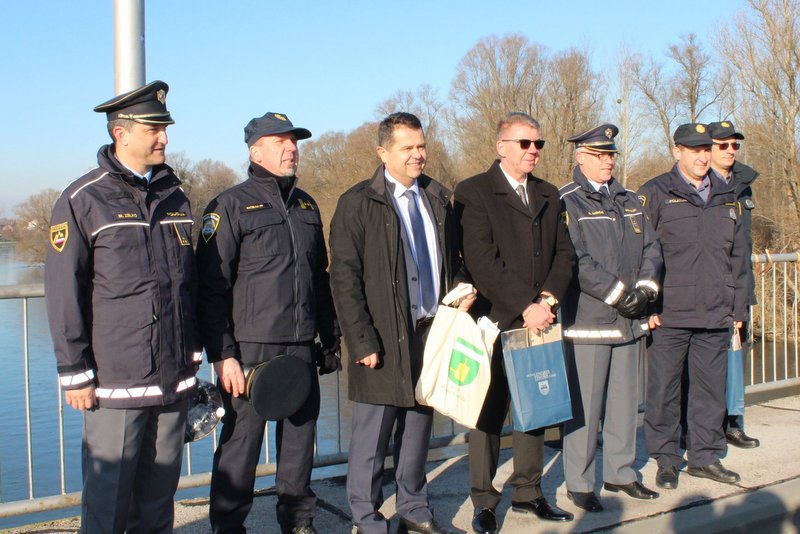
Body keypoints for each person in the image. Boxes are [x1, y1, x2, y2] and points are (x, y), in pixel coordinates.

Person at [44, 80, 201, 533]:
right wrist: (74, 371)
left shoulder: (176, 197)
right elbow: (62, 291)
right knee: (108, 501)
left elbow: (185, 286)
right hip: (115, 382)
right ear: (121, 133)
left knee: (158, 500)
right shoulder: (82, 199)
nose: (164, 137)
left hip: (174, 379)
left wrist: (193, 353)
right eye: (154, 128)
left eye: (165, 127)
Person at [329, 112, 475, 534]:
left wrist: (462, 287)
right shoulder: (358, 203)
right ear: (382, 152)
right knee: (373, 437)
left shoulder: (437, 199)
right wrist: (361, 341)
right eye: (407, 148)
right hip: (381, 336)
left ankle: (413, 507)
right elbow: (343, 278)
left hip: (432, 332)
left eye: (421, 146)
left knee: (417, 428)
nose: (418, 155)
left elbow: (455, 261)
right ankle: (366, 518)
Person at [196, 112, 340, 534]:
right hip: (249, 349)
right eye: (279, 142)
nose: (290, 149)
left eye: (294, 142)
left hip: (299, 344)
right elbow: (211, 288)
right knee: (241, 446)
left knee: (299, 443)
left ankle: (299, 522)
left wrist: (329, 337)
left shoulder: (307, 205)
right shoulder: (229, 205)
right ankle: (228, 526)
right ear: (255, 150)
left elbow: (320, 278)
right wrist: (223, 355)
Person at [454, 112, 576, 533]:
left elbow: (565, 254)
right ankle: (484, 501)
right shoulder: (474, 192)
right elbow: (480, 260)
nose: (534, 151)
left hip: (538, 318)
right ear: (501, 146)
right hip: (495, 319)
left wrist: (547, 299)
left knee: (534, 409)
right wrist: (525, 303)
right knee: (487, 415)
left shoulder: (548, 193)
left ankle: (528, 492)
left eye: (538, 144)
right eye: (525, 143)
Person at [558, 124, 662, 513]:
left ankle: (620, 473)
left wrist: (648, 291)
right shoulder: (567, 201)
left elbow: (652, 248)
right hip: (591, 320)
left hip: (631, 321)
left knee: (623, 402)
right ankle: (580, 482)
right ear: (580, 157)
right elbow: (575, 260)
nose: (608, 161)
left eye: (611, 154)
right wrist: (620, 295)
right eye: (600, 155)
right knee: (586, 408)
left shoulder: (630, 199)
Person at [640, 123, 748, 490]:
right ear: (677, 152)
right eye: (694, 150)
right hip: (669, 313)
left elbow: (738, 257)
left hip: (716, 311)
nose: (702, 156)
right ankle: (667, 459)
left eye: (707, 149)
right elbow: (641, 254)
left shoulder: (727, 194)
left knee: (709, 391)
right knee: (664, 391)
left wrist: (739, 309)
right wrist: (647, 306)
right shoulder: (654, 193)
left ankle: (705, 456)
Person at [707, 120, 760, 449]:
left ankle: (732, 423)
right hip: (710, 284)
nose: (730, 150)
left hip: (741, 282)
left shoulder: (743, 182)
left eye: (734, 145)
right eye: (723, 144)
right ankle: (700, 425)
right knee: (704, 360)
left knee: (736, 355)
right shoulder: (699, 183)